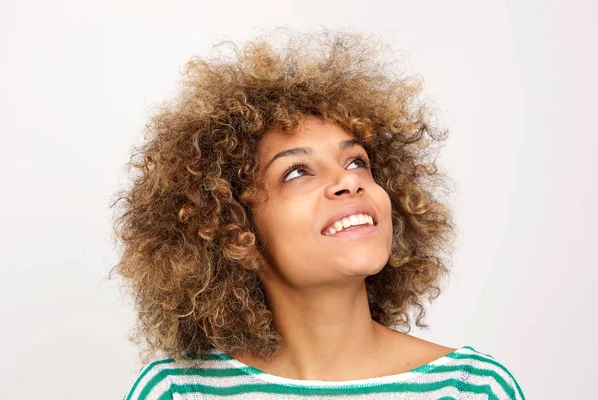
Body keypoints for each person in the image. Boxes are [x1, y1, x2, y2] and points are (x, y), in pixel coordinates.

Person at [113, 27, 525, 399]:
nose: (349, 182)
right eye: (296, 172)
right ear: (235, 230)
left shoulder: (471, 388)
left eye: (356, 162)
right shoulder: (180, 391)